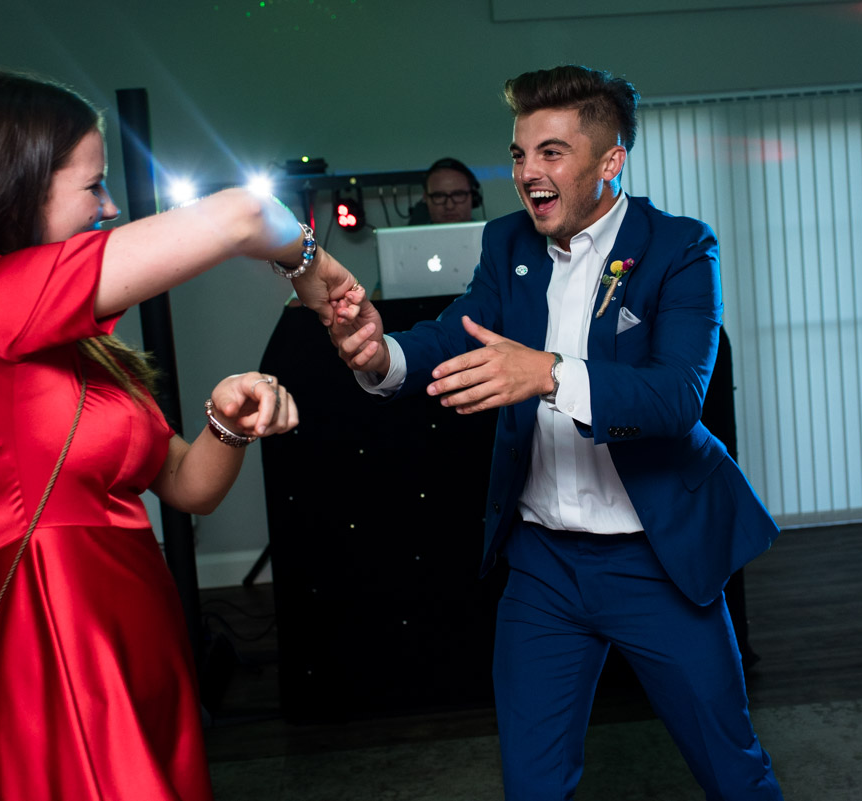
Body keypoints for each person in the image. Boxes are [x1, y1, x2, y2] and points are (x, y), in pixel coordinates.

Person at [0, 70, 360, 801]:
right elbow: (242, 214)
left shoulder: (77, 341)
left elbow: (189, 487)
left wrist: (227, 415)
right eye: (92, 186)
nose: (111, 205)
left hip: (137, 628)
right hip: (60, 635)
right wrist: (311, 267)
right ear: (14, 187)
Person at [326, 65, 783, 800]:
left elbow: (676, 396)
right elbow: (456, 336)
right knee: (532, 786)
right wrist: (383, 355)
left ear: (609, 162)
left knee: (733, 769)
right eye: (518, 154)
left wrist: (547, 374)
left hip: (655, 561)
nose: (527, 173)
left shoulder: (679, 248)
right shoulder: (508, 241)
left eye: (551, 152)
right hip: (544, 567)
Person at [408, 157, 483, 225]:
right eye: (439, 196)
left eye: (458, 194)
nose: (449, 206)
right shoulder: (410, 239)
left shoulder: (492, 238)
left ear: (473, 197)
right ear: (426, 198)